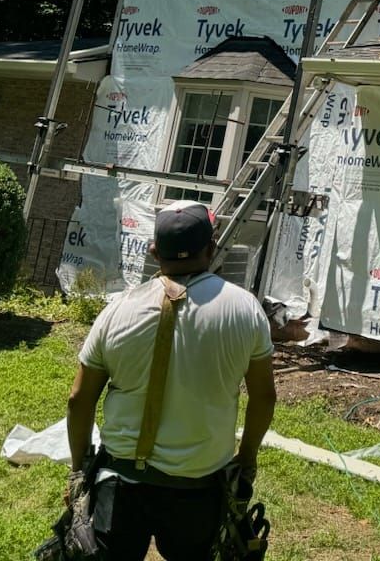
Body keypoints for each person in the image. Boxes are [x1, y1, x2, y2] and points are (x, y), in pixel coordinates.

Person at [65, 201, 277, 561]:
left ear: (152, 251)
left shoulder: (116, 310)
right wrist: (247, 460)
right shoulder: (245, 309)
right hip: (198, 487)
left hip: (120, 484)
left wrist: (78, 469)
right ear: (210, 250)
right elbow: (264, 397)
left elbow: (78, 400)